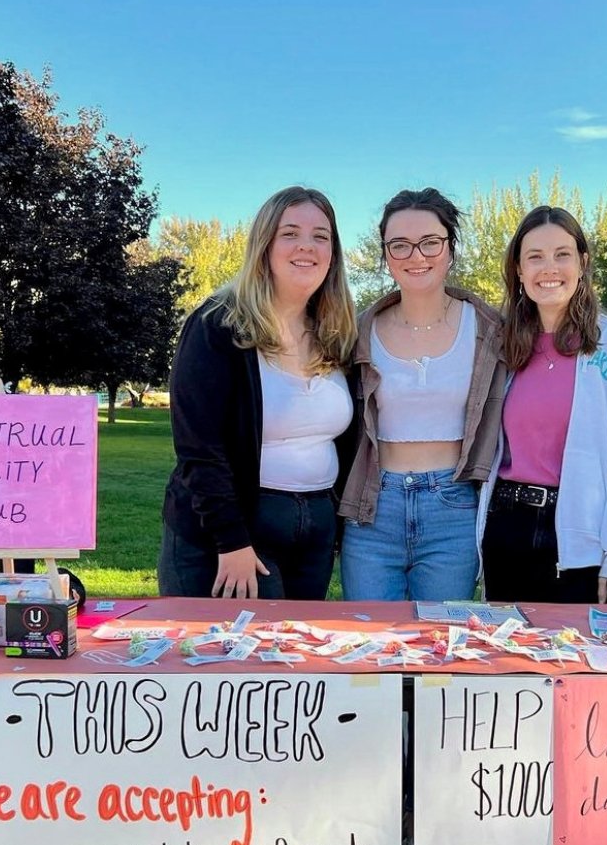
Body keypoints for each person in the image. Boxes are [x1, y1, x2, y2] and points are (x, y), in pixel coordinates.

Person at [158, 186, 356, 600]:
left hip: (313, 532)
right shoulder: (217, 324)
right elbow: (198, 446)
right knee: (239, 645)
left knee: (300, 643)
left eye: (321, 236)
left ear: (333, 253)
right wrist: (230, 540)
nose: (307, 246)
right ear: (264, 244)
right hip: (232, 534)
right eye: (290, 233)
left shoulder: (335, 332)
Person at [479, 206, 607, 604]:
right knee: (506, 643)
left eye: (562, 254)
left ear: (583, 263)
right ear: (519, 270)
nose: (549, 268)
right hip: (506, 528)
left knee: (574, 644)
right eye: (535, 257)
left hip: (581, 536)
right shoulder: (503, 345)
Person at [339, 188, 505, 601]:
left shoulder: (489, 329)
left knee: (441, 636)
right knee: (371, 635)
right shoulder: (357, 331)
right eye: (400, 244)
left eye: (430, 242)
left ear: (450, 247)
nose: (416, 256)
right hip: (374, 508)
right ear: (385, 254)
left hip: (453, 507)